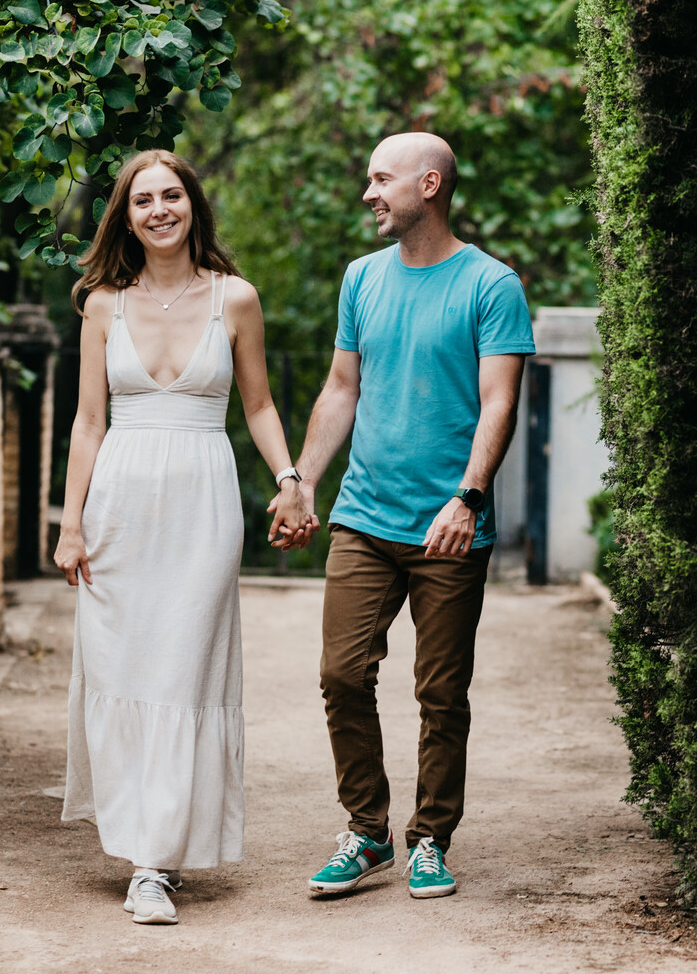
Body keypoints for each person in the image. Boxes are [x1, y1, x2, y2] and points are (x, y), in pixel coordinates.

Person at [53, 149, 314, 925]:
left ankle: (155, 864)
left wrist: (290, 477)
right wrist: (70, 523)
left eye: (172, 195)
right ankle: (142, 845)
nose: (159, 209)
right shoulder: (102, 304)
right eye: (143, 200)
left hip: (202, 503)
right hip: (120, 507)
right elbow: (88, 422)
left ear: (193, 205)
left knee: (182, 671)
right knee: (122, 666)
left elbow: (259, 407)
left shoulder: (235, 299)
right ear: (125, 216)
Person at [271, 131, 534, 900]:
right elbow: (341, 388)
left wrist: (469, 498)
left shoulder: (492, 284)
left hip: (449, 525)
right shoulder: (362, 278)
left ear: (428, 184)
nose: (368, 194)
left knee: (440, 693)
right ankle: (366, 832)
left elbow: (499, 402)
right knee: (341, 674)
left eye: (380, 180)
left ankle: (430, 838)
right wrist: (302, 481)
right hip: (364, 517)